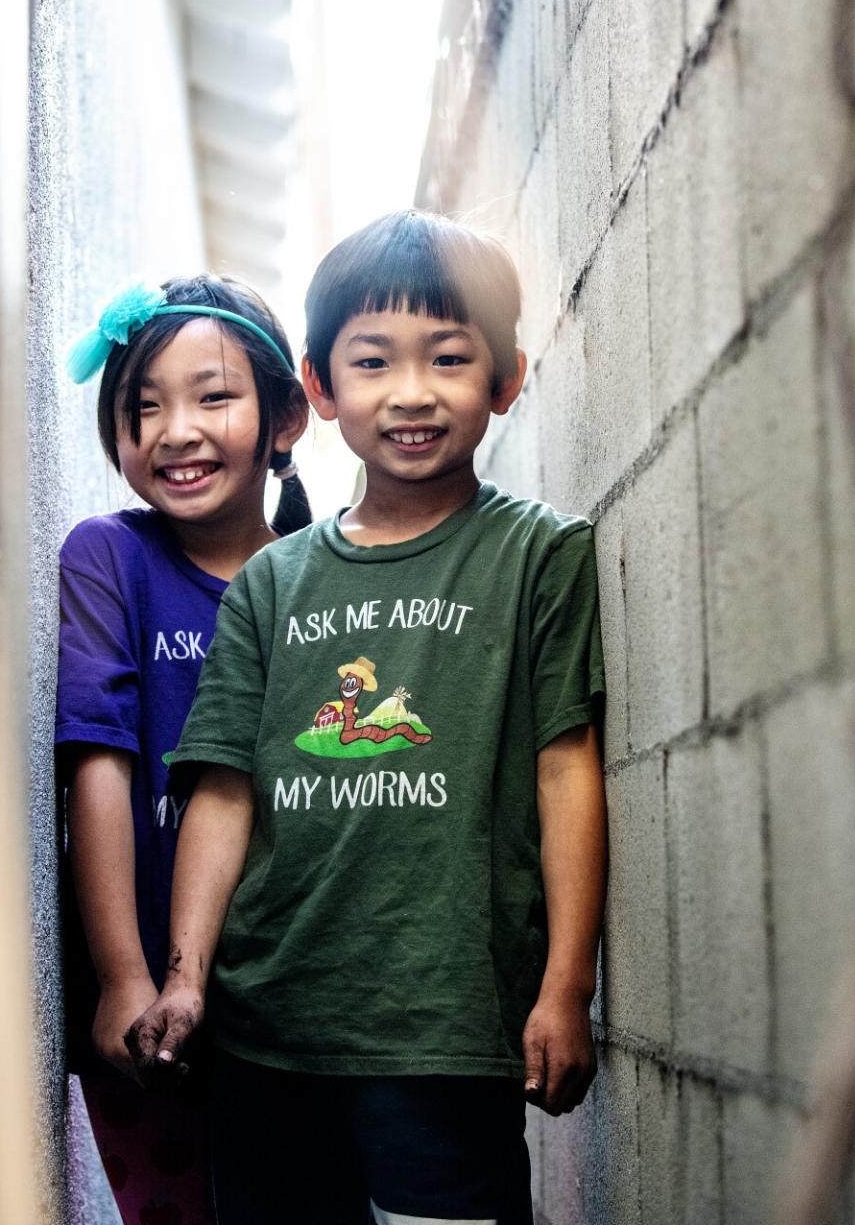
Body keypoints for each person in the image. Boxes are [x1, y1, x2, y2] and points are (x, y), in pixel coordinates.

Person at [128, 211, 608, 1225]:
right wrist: (185, 980)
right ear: (321, 387)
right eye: (374, 360)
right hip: (270, 1033)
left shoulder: (539, 556)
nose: (412, 392)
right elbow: (222, 788)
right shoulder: (270, 583)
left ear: (507, 377)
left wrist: (567, 986)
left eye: (448, 356)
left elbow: (566, 769)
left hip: (447, 1029)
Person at [56, 274, 309, 1225]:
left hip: (296, 1009)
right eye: (143, 406)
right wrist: (125, 972)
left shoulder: (325, 575)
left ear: (286, 415)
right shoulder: (106, 559)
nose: (176, 430)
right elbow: (99, 764)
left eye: (213, 395)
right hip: (142, 1023)